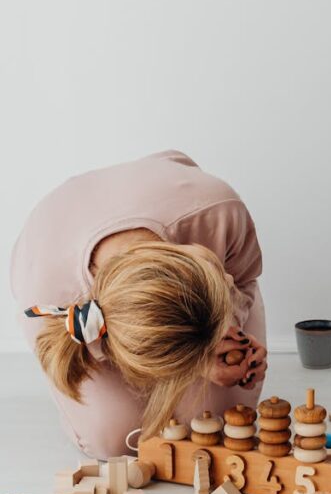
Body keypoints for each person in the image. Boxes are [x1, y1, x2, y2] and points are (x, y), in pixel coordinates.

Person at [10, 149, 267, 459]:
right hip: (54, 240)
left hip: (169, 194)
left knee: (217, 423)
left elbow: (243, 276)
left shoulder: (219, 211)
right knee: (115, 440)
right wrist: (195, 360)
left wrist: (228, 329)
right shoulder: (46, 288)